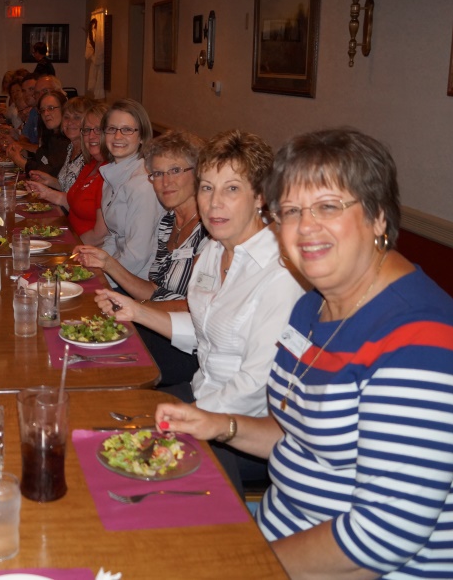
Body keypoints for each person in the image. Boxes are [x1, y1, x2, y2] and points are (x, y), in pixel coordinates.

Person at [155, 128, 453, 578]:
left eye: (328, 207)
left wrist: (243, 565)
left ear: (379, 216)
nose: (305, 228)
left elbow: (381, 538)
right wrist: (221, 426)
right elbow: (302, 440)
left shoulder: (420, 338)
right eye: (291, 210)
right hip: (278, 532)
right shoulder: (312, 306)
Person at [97, 130, 304, 493]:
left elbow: (256, 386)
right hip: (201, 396)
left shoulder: (280, 274)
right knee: (104, 415)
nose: (214, 203)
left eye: (231, 189)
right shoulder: (213, 249)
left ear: (260, 196)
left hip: (244, 429)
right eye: (207, 188)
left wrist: (191, 412)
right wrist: (137, 312)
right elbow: (203, 326)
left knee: (130, 469)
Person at [79, 130, 209, 387]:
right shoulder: (168, 222)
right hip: (150, 324)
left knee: (96, 364)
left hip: (184, 346)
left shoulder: (210, 231)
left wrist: (137, 308)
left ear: (197, 172)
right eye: (157, 174)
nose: (165, 182)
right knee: (80, 343)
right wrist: (108, 263)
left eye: (175, 171)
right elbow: (153, 289)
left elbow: (198, 307)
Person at [94, 98, 164, 281]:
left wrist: (100, 279)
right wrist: (94, 265)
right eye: (112, 129)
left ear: (141, 137)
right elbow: (114, 236)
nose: (118, 137)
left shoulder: (144, 185)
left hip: (140, 281)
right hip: (120, 272)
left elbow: (137, 255)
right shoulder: (111, 175)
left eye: (127, 130)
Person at [26, 101, 107, 241]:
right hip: (68, 228)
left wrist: (70, 244)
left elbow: (101, 235)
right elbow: (73, 200)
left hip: (80, 243)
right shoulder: (91, 162)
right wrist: (47, 190)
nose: (92, 136)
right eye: (88, 130)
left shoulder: (107, 171)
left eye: (98, 130)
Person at [26, 96, 91, 192]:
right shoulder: (71, 147)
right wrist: (49, 181)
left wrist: (49, 193)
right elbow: (67, 187)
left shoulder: (89, 155)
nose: (70, 122)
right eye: (66, 117)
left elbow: (78, 199)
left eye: (77, 117)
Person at [7, 89, 70, 178]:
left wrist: (20, 161)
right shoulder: (50, 136)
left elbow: (50, 173)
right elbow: (42, 159)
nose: (46, 113)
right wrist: (23, 152)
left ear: (64, 109)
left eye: (51, 108)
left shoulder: (68, 139)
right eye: (42, 110)